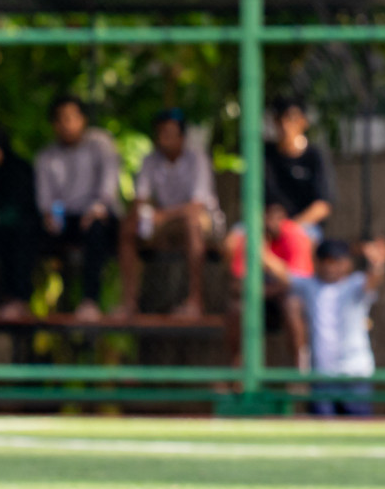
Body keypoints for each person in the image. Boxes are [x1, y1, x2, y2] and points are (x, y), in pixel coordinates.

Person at [263, 237, 385, 416]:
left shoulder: (354, 284)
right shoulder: (310, 285)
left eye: (335, 261)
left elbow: (373, 279)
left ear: (347, 263)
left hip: (354, 374)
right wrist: (260, 250)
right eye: (325, 261)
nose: (329, 267)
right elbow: (283, 273)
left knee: (357, 433)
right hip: (322, 376)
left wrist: (378, 264)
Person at [116, 109, 222, 318]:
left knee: (192, 223)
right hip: (164, 223)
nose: (165, 138)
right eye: (161, 133)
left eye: (170, 133)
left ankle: (195, 301)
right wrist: (141, 215)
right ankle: (128, 302)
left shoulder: (197, 159)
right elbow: (141, 198)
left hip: (203, 221)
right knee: (128, 226)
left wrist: (161, 215)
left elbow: (196, 205)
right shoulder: (150, 160)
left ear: (182, 137)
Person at [34, 96, 122, 320]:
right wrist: (49, 217)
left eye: (72, 118)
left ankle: (90, 301)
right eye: (61, 120)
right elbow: (45, 200)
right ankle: (19, 300)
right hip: (65, 219)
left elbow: (108, 187)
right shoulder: (46, 156)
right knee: (25, 232)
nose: (67, 124)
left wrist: (97, 208)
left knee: (96, 229)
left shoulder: (100, 144)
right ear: (54, 125)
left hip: (98, 214)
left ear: (83, 120)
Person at [226, 202, 312, 368]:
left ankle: (300, 370)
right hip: (258, 299)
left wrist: (266, 257)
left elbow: (298, 283)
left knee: (292, 306)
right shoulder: (248, 238)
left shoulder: (294, 235)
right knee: (236, 308)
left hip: (283, 299)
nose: (271, 222)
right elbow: (236, 286)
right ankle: (238, 369)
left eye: (277, 217)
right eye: (267, 217)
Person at [0, 126, 38, 318]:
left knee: (17, 236)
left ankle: (17, 298)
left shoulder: (18, 170)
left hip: (22, 232)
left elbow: (23, 208)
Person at [265, 98, 334, 242]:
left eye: (290, 118)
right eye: (279, 119)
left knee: (296, 241)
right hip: (268, 225)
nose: (285, 125)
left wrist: (292, 226)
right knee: (236, 243)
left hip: (303, 225)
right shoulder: (266, 155)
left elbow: (323, 206)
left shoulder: (315, 155)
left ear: (303, 121)